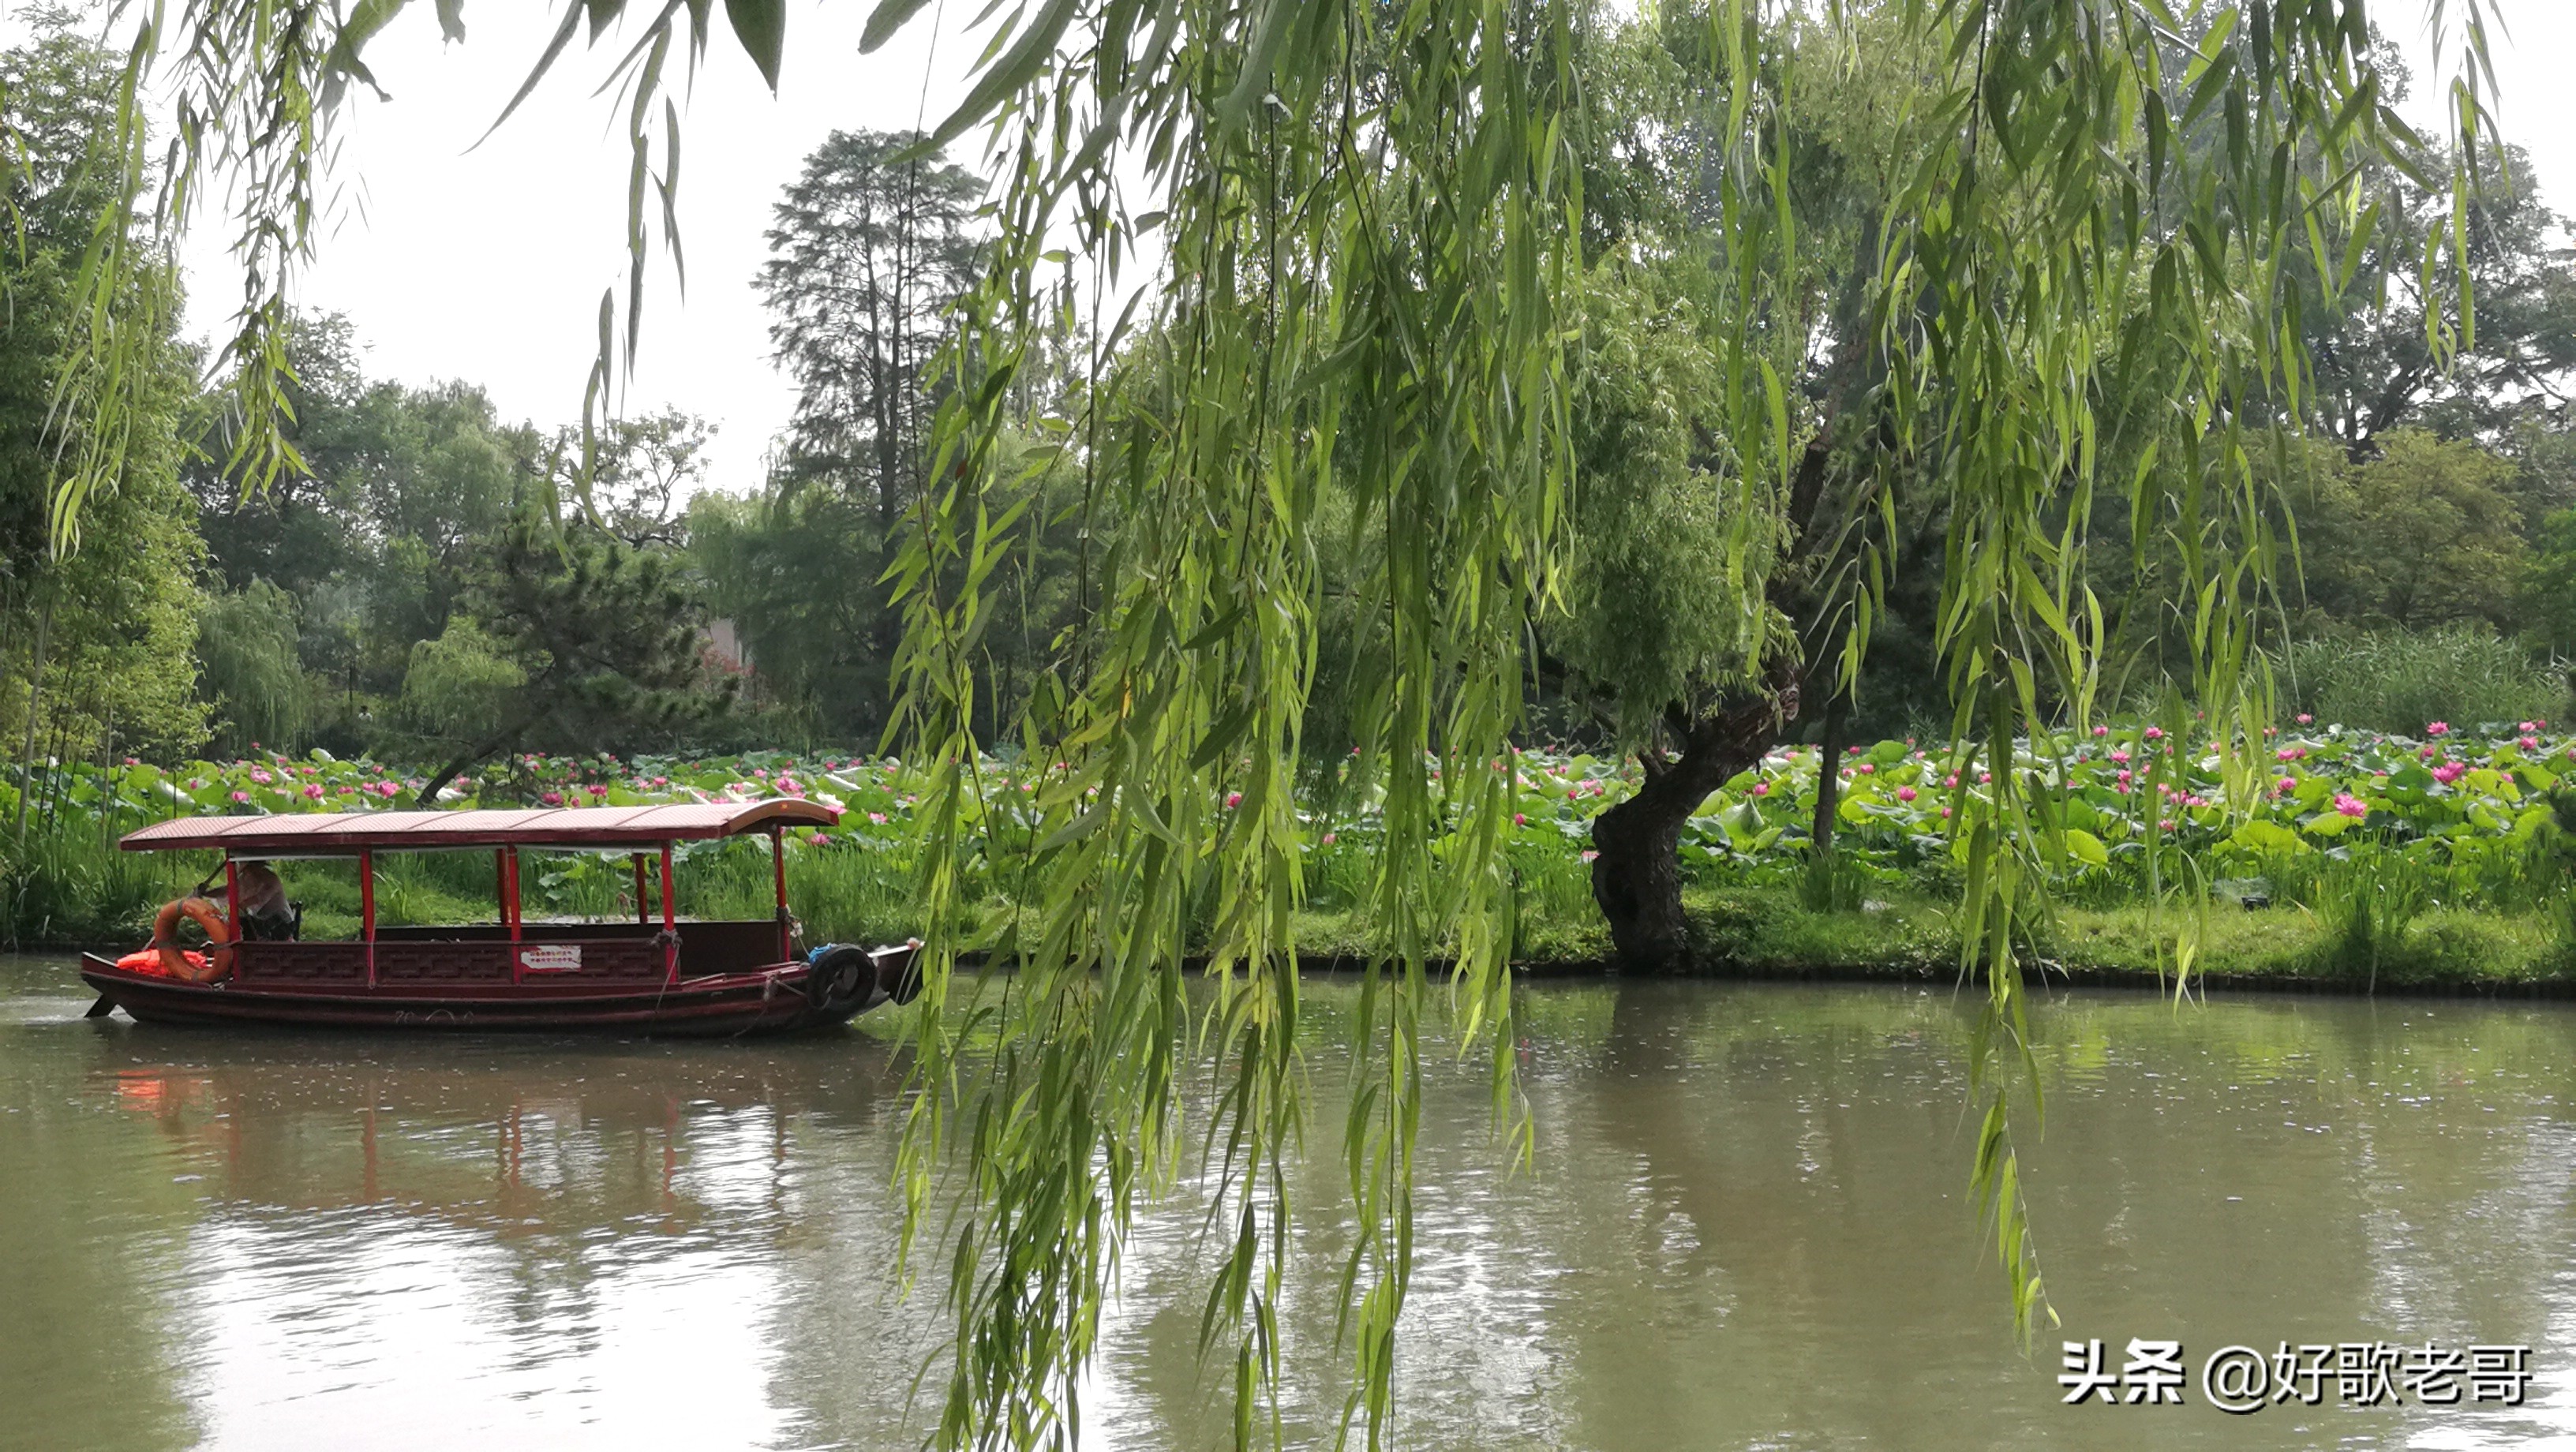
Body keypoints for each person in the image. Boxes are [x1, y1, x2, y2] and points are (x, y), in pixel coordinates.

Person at [232, 860, 301, 941]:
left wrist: (242, 904)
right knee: (242, 923)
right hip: (262, 921)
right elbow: (229, 891)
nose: (246, 873)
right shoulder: (247, 879)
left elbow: (261, 898)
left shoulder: (271, 879)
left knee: (247, 926)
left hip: (281, 923)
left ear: (256, 867)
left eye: (248, 870)